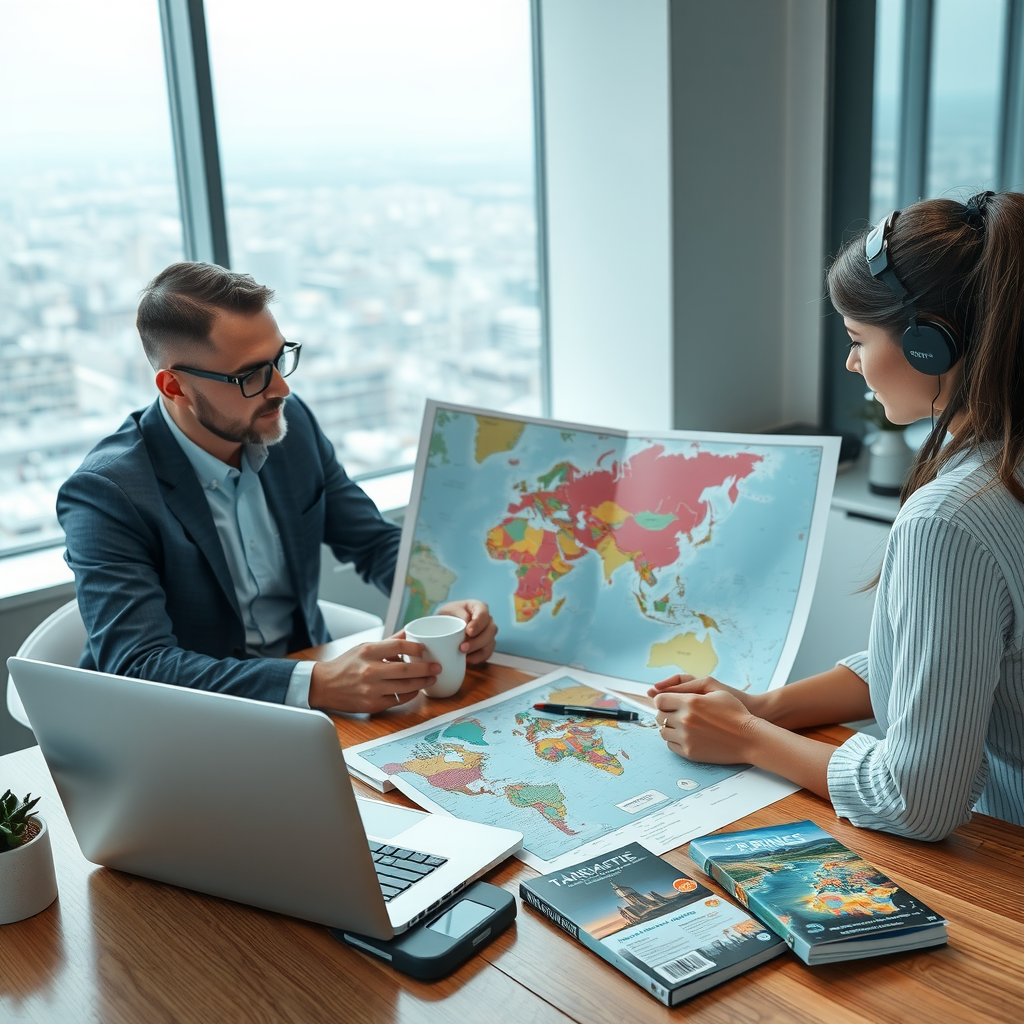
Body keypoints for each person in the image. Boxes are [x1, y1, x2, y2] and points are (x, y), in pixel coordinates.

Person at [649, 191, 1024, 840]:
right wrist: (768, 707)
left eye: (858, 339)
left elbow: (917, 800)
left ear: (932, 345)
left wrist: (747, 738)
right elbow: (942, 657)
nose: (852, 362)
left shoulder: (953, 518)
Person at [57, 262, 497, 715]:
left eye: (279, 358)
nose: (282, 388)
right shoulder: (106, 494)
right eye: (251, 375)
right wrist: (314, 684)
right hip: (194, 723)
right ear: (175, 387)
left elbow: (371, 540)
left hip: (310, 696)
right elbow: (139, 665)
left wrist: (443, 604)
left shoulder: (287, 424)